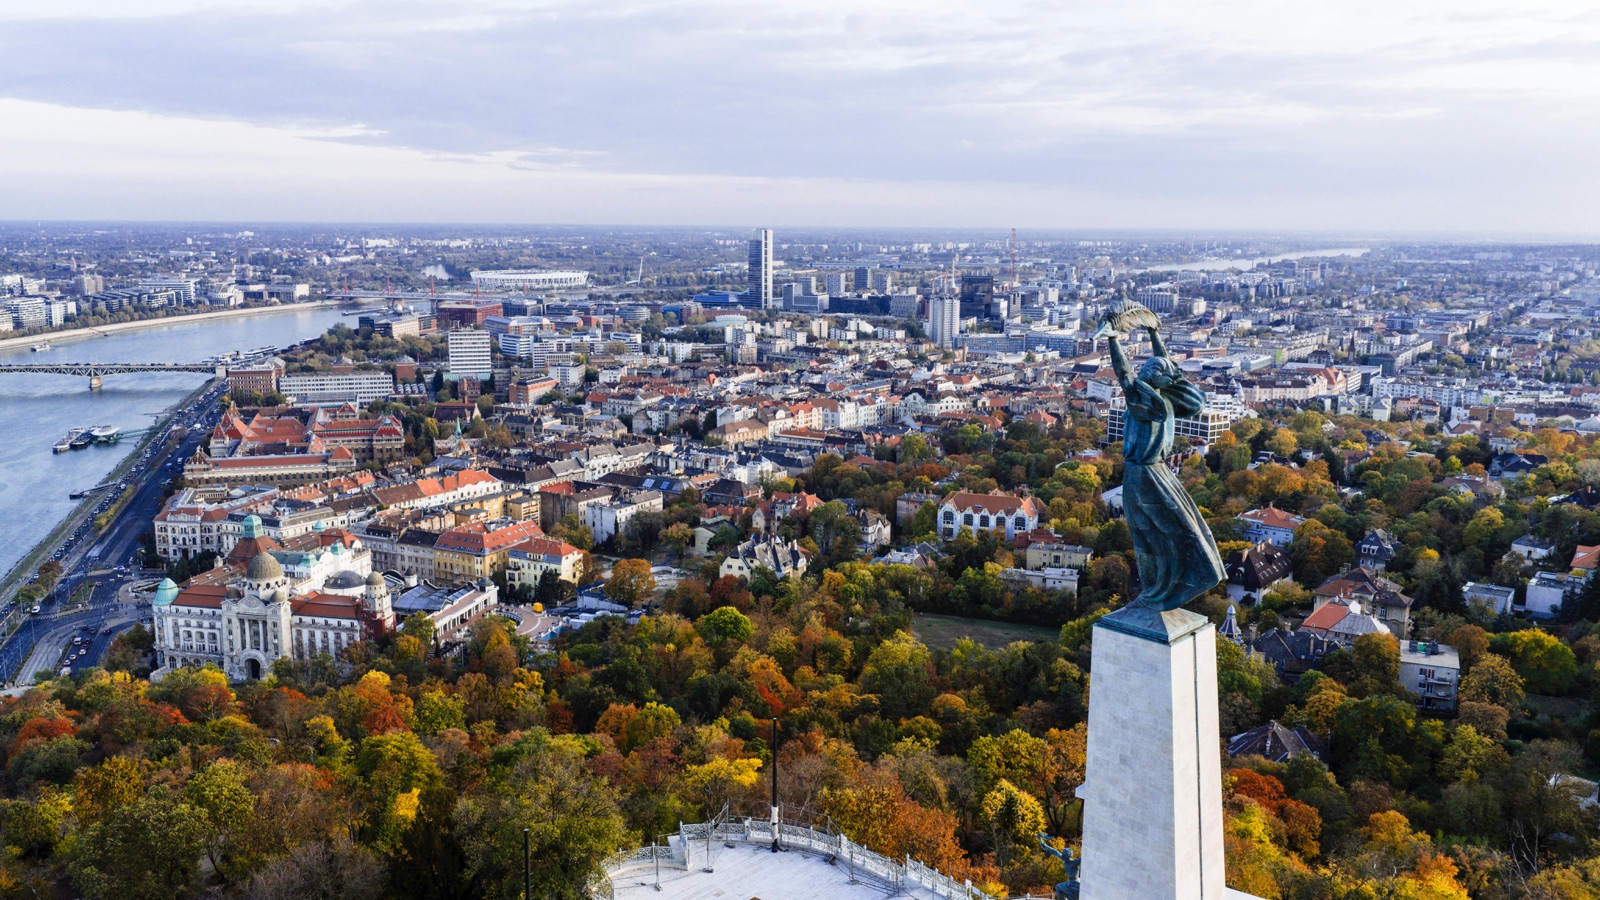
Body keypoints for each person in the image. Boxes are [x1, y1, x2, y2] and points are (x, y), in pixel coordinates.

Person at [1100, 302, 1225, 610]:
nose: (1144, 372)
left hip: (1142, 475)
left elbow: (1123, 372)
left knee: (1147, 534)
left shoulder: (1146, 402)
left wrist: (1113, 338)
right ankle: (1165, 587)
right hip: (1160, 473)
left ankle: (1156, 591)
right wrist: (1155, 333)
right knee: (1173, 527)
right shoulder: (1169, 400)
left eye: (1149, 372)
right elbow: (1166, 367)